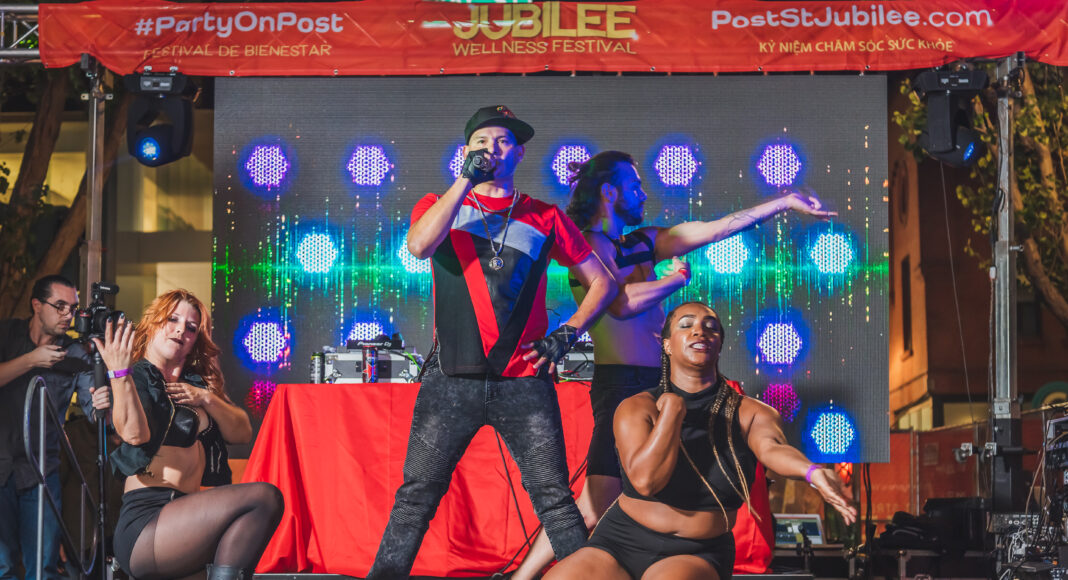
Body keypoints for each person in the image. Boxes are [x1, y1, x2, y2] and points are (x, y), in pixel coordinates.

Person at [512, 151, 836, 579]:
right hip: (624, 386)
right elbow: (620, 304)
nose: (643, 193)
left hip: (662, 383)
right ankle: (523, 576)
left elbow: (713, 229)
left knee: (638, 498)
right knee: (594, 505)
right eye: (635, 186)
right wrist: (673, 281)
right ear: (610, 192)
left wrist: (782, 203)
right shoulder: (589, 246)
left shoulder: (643, 242)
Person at [367, 106, 617, 579]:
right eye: (481, 142)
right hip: (450, 379)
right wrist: (463, 182)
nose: (491, 149)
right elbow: (418, 247)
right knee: (416, 496)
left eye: (502, 142)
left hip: (524, 383)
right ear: (465, 152)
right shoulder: (438, 205)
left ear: (519, 153)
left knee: (555, 500)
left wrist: (567, 333)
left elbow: (601, 283)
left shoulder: (544, 217)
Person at [544, 302, 857, 580]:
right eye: (686, 325)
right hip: (621, 540)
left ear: (719, 344)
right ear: (666, 344)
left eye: (710, 327)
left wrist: (812, 472)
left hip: (695, 551)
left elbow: (772, 448)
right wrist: (671, 412)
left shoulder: (749, 412)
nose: (700, 331)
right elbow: (645, 481)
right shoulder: (636, 407)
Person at [91, 289, 283, 580]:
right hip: (148, 521)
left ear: (195, 340)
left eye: (191, 328)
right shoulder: (136, 377)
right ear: (154, 323)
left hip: (185, 520)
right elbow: (134, 434)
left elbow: (242, 431)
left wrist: (206, 398)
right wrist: (119, 374)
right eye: (172, 319)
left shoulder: (195, 386)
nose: (181, 329)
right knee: (264, 498)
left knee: (245, 526)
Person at [0, 275, 100, 580]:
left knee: (43, 568)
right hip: (1, 467)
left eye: (72, 308)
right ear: (36, 305)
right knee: (2, 566)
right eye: (59, 306)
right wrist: (32, 360)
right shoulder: (7, 334)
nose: (67, 315)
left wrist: (103, 401)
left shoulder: (76, 353)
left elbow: (94, 410)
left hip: (42, 472)